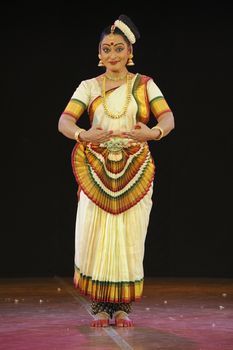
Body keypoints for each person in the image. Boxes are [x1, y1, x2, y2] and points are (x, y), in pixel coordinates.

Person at [58, 14, 175, 328]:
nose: (112, 54)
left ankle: (122, 307)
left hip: (134, 167)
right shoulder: (88, 86)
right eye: (106, 48)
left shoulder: (145, 85)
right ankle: (99, 305)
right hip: (96, 169)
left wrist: (152, 133)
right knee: (93, 234)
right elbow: (65, 122)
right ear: (99, 54)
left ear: (129, 52)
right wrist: (82, 134)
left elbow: (167, 120)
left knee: (129, 235)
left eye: (118, 48)